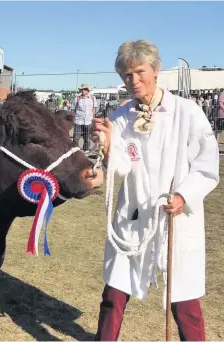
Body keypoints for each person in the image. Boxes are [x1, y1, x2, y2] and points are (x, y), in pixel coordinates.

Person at [91, 39, 220, 341]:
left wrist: (184, 195)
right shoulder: (121, 117)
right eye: (126, 75)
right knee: (114, 292)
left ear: (156, 70)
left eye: (139, 72)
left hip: (176, 217)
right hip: (133, 216)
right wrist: (109, 145)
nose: (133, 81)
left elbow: (207, 164)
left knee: (184, 300)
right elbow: (121, 167)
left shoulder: (187, 113)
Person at [74, 84, 97, 153]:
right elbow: (74, 109)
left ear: (88, 90)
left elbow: (94, 108)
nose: (83, 91)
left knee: (87, 137)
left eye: (84, 89)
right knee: (76, 137)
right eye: (82, 89)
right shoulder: (77, 98)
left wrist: (92, 116)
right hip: (78, 121)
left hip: (88, 121)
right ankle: (75, 150)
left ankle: (86, 149)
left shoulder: (92, 98)